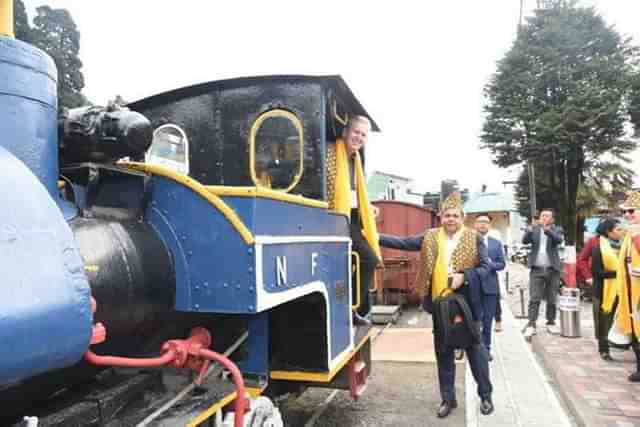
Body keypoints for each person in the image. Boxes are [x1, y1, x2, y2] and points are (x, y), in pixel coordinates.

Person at [379, 192, 493, 418]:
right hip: (441, 305)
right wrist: (374, 235)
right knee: (444, 352)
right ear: (441, 217)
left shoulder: (473, 237)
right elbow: (404, 242)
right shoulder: (430, 236)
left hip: (467, 305)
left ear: (462, 217)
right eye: (446, 215)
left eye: (454, 216)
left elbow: (487, 268)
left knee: (475, 351)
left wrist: (465, 276)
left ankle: (486, 396)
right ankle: (448, 399)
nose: (450, 219)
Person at [325, 115, 381, 325]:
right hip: (333, 218)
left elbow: (352, 192)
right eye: (356, 132)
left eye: (363, 135)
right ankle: (349, 308)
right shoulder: (330, 152)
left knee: (363, 260)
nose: (359, 137)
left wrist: (368, 207)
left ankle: (350, 308)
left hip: (351, 218)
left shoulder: (355, 159)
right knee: (368, 259)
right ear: (346, 132)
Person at [607, 192, 640, 381]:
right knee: (634, 331)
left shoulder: (634, 234)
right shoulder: (629, 234)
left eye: (631, 211)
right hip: (630, 291)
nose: (627, 215)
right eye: (625, 211)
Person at [522, 208, 565, 339]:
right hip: (537, 269)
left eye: (547, 216)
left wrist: (547, 230)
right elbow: (525, 240)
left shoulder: (557, 229)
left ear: (552, 219)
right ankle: (531, 323)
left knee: (552, 298)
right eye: (542, 216)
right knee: (534, 297)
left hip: (553, 269)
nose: (544, 218)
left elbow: (558, 240)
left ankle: (551, 321)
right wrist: (530, 229)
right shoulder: (534, 229)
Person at [472, 214, 506, 359]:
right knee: (473, 319)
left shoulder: (496, 243)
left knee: (487, 320)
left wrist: (490, 265)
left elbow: (502, 264)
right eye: (480, 222)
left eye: (485, 222)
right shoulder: (468, 242)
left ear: (489, 225)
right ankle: (470, 347)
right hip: (473, 285)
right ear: (475, 224)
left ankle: (485, 349)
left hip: (490, 287)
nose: (482, 225)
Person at [591, 218, 623, 361]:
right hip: (604, 290)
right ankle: (604, 349)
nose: (620, 232)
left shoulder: (624, 247)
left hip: (621, 289)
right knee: (604, 320)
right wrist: (619, 273)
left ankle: (621, 342)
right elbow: (597, 272)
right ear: (608, 232)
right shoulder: (599, 248)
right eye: (618, 229)